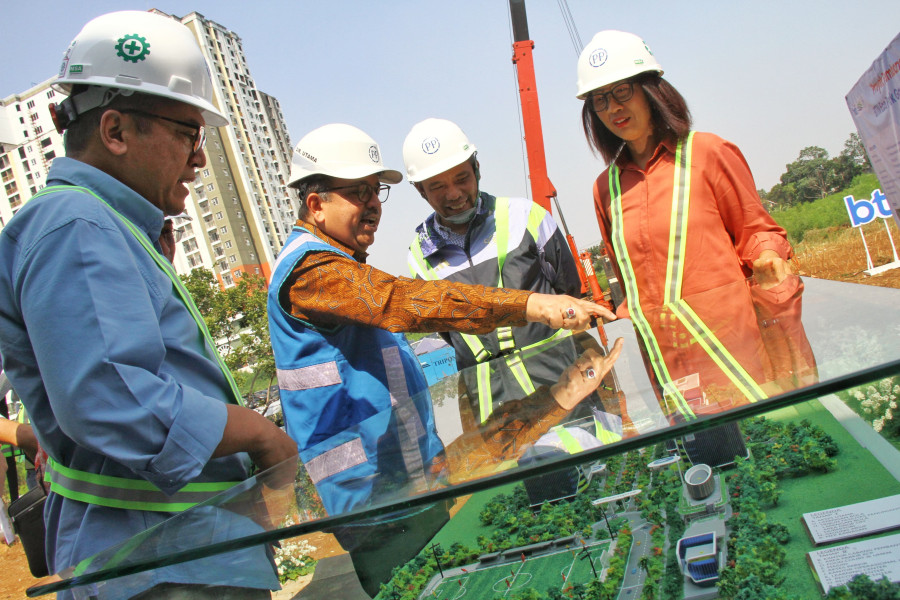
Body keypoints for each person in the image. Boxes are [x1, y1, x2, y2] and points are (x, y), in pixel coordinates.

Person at [0, 11, 296, 599]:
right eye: (188, 133)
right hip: (159, 565)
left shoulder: (107, 225)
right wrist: (259, 434)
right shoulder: (74, 224)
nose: (199, 158)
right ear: (115, 131)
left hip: (184, 554)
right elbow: (106, 393)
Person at [267, 122, 622, 595]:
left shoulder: (349, 270)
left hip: (412, 483)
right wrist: (532, 304)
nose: (373, 206)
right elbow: (406, 303)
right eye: (358, 194)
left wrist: (560, 395)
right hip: (371, 499)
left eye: (375, 193)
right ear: (316, 205)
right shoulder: (309, 272)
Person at [576, 30, 816, 422]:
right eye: (599, 100)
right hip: (667, 362)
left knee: (771, 443)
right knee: (705, 461)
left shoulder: (708, 153)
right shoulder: (606, 188)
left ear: (651, 90)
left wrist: (768, 254)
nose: (612, 107)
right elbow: (625, 279)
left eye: (621, 91)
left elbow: (758, 230)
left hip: (734, 351)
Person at [403, 118, 616, 431]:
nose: (454, 194)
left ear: (477, 168)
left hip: (566, 394)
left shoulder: (524, 218)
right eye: (437, 186)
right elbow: (450, 334)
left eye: (462, 178)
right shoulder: (419, 259)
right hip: (497, 419)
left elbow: (568, 290)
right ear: (421, 191)